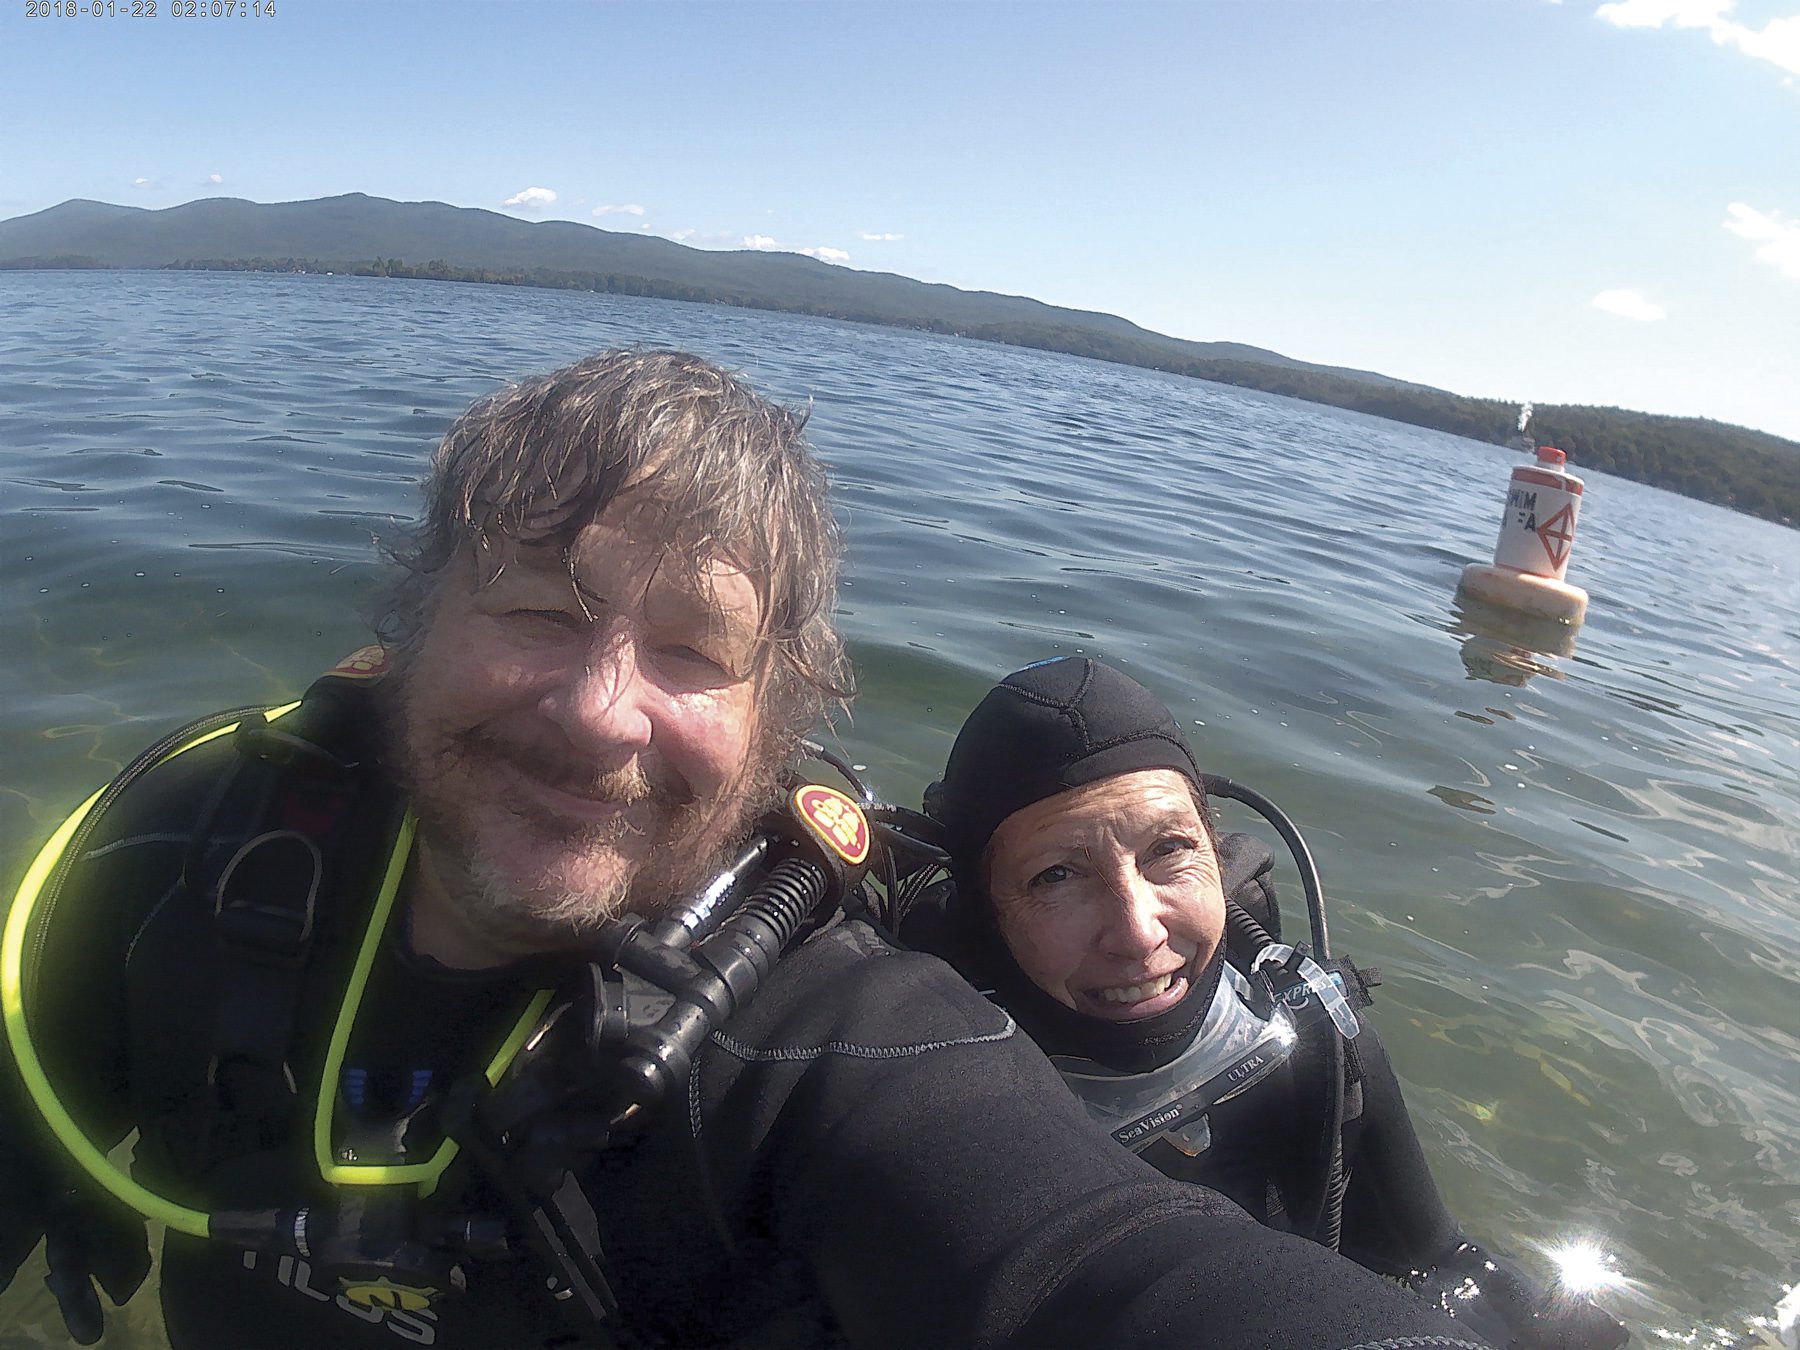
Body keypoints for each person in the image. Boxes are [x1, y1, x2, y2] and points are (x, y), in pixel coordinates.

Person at [1, 351, 1491, 1350]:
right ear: (411, 623)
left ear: (778, 728)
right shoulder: (184, 850)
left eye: (692, 651)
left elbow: (1099, 1264)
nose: (598, 715)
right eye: (535, 608)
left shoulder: (827, 1031)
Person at [904, 656, 1629, 1350]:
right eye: (1057, 874)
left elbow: (1442, 1262)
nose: (1136, 930)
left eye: (1168, 850)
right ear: (986, 909)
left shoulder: (1311, 1046)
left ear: (1215, 854)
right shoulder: (919, 1110)